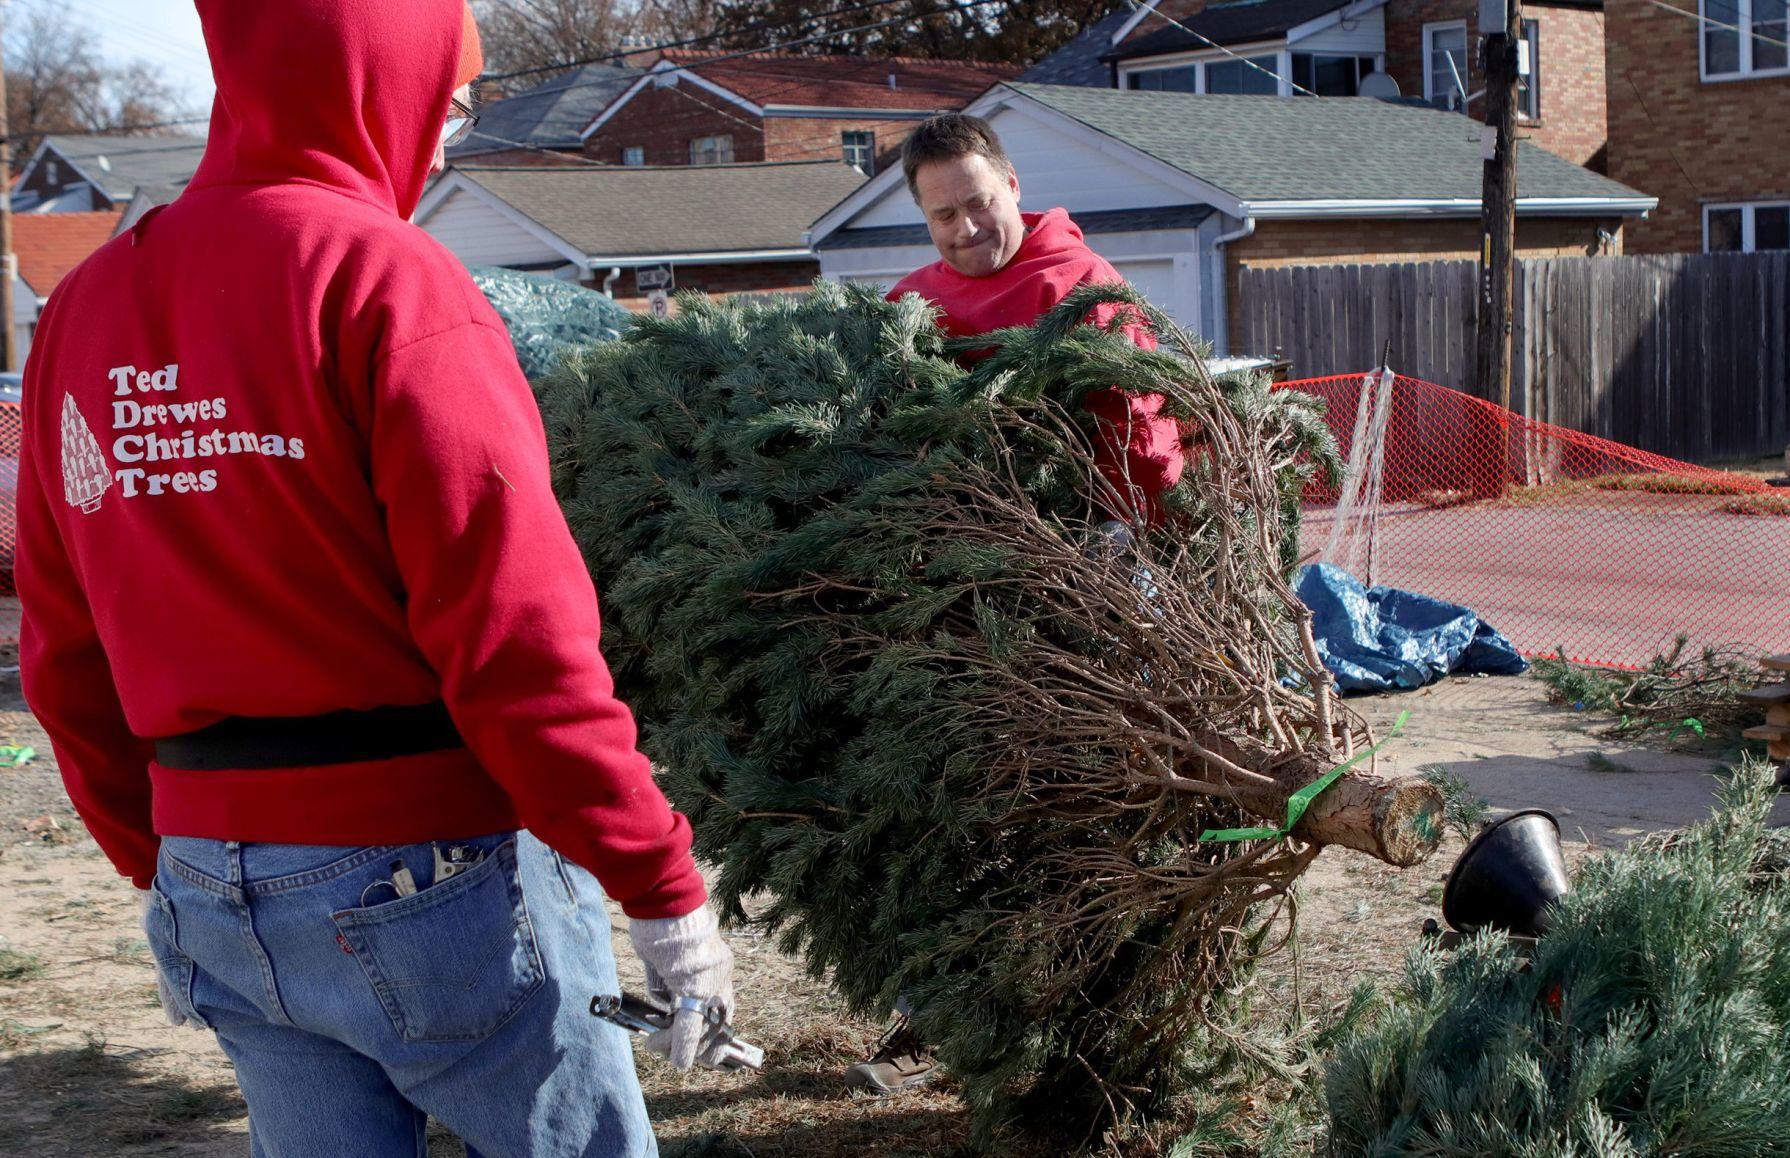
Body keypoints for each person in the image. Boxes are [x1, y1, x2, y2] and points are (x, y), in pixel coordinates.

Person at [16, 3, 733, 1154]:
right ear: (373, 77)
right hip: (425, 877)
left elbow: (61, 651)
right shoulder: (385, 280)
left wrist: (166, 867)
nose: (444, 142)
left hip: (212, 879)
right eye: (447, 105)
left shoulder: (85, 309)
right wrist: (659, 885)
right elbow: (515, 648)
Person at [842, 113, 1188, 1096]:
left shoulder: (1081, 290)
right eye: (940, 215)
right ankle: (936, 1013)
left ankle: (1097, 1015)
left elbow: (1144, 436)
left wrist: (1131, 541)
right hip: (961, 591)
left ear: (1012, 185)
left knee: (1088, 794)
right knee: (952, 795)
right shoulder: (912, 305)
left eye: (977, 204)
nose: (963, 230)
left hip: (1088, 574)